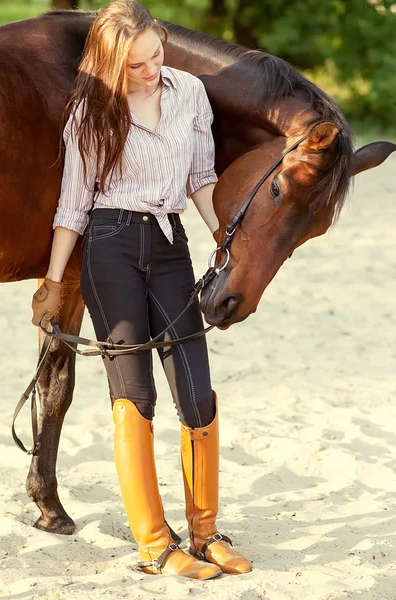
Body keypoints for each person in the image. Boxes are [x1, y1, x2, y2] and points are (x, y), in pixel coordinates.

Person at [31, 0, 252, 580]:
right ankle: (155, 544)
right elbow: (73, 205)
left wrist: (225, 244)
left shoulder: (189, 94)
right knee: (135, 397)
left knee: (196, 390)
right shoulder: (90, 113)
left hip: (171, 242)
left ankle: (205, 535)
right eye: (136, 65)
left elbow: (202, 178)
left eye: (156, 55)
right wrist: (54, 284)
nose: (151, 70)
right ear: (110, 65)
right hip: (110, 247)